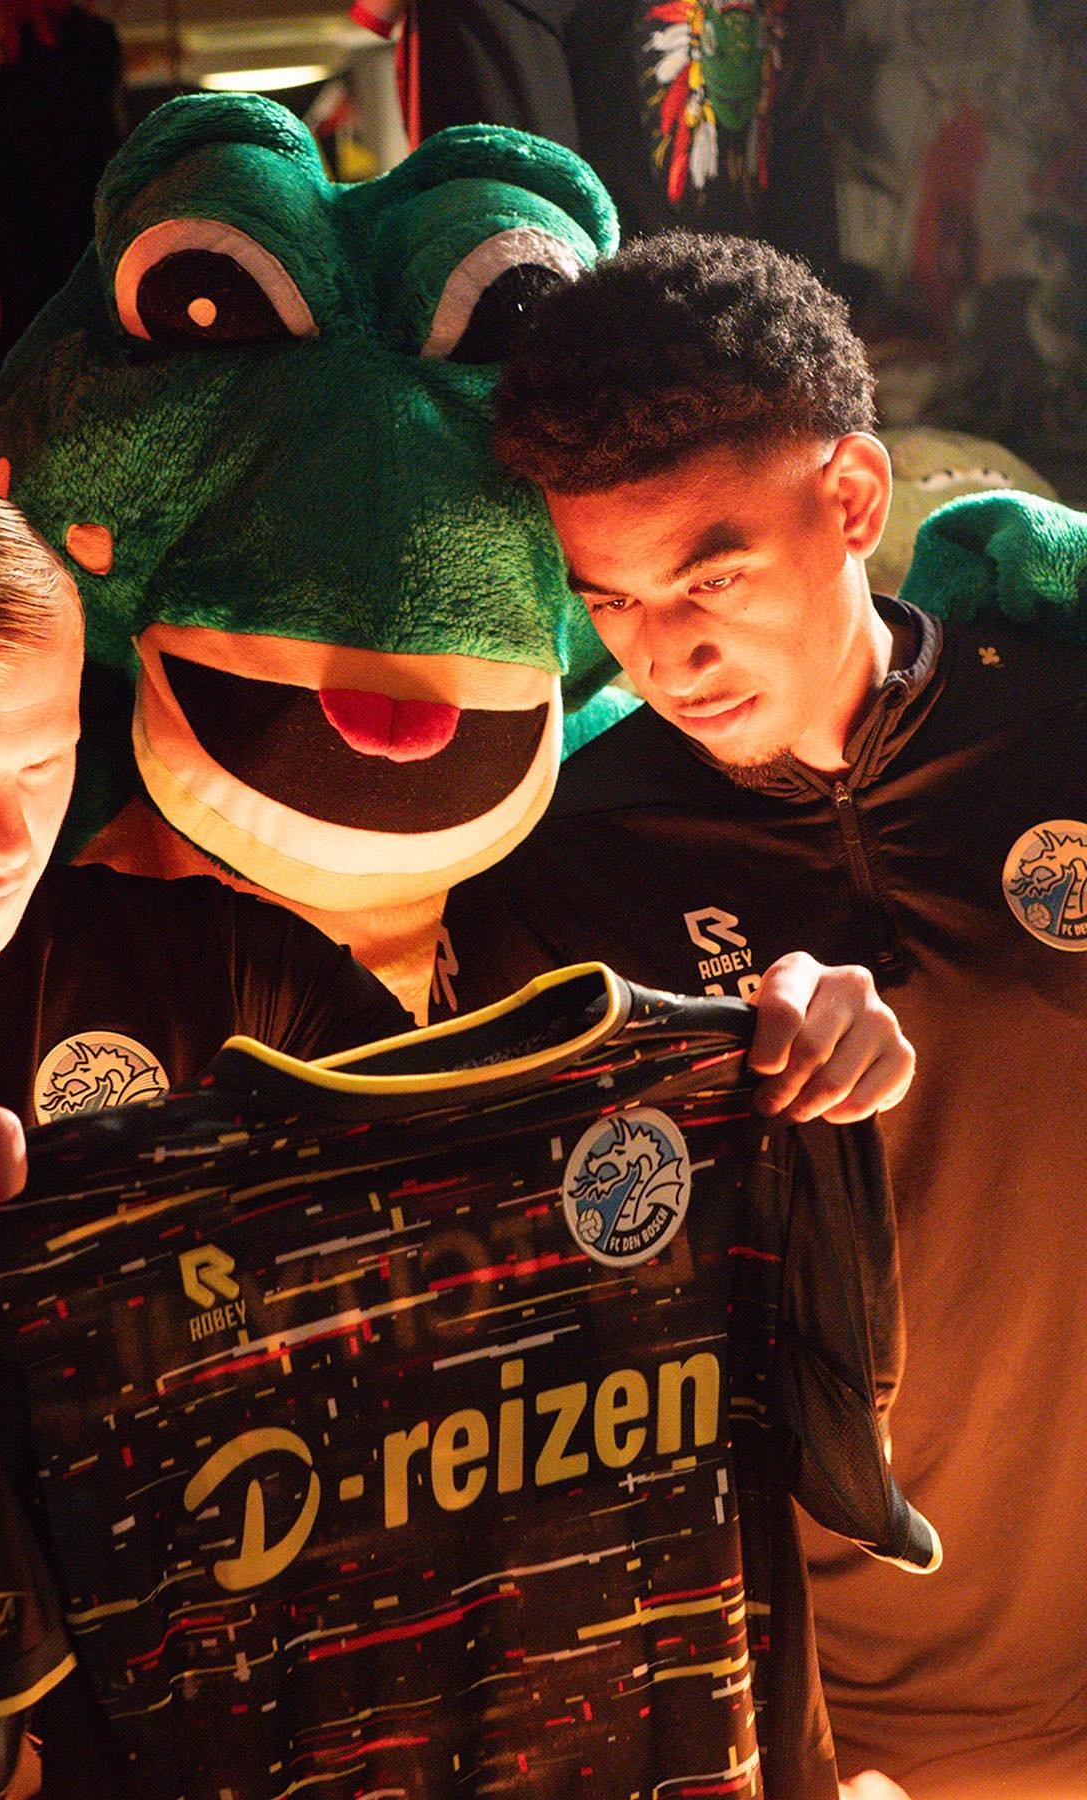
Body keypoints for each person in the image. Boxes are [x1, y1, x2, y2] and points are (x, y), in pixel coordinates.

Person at [0, 457, 913, 1798]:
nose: (2, 837)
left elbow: (494, 1170)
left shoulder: (205, 962)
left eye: (39, 763)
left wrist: (755, 1049)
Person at [434, 231, 1087, 1799]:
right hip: (820, 1733)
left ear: (852, 498)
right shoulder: (562, 864)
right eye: (613, 604)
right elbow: (542, 1328)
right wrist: (725, 1097)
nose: (670, 655)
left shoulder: (1064, 723)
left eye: (711, 580)